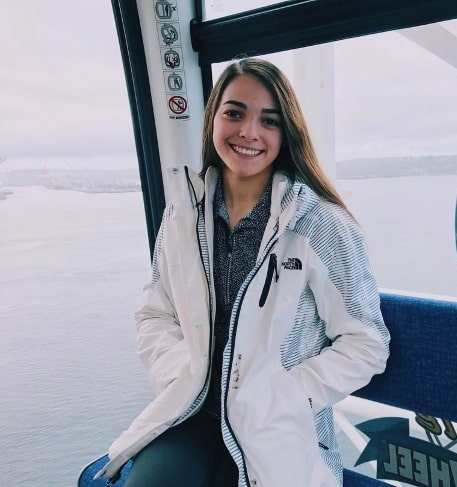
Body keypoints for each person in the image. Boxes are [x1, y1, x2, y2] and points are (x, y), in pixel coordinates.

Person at [94, 57, 390, 487]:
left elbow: (367, 343)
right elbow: (155, 314)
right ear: (213, 118)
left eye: (268, 121)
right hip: (191, 413)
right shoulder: (182, 214)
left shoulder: (319, 224)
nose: (249, 132)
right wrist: (181, 372)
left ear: (285, 134)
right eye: (234, 113)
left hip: (274, 426)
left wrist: (285, 397)